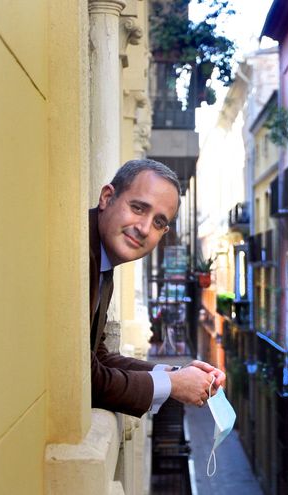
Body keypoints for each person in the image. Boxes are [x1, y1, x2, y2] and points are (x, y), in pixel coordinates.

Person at [90, 159, 225, 417]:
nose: (144, 229)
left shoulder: (102, 261)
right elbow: (84, 379)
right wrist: (173, 384)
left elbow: (99, 357)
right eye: (138, 208)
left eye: (158, 222)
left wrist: (175, 374)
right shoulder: (83, 256)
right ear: (107, 197)